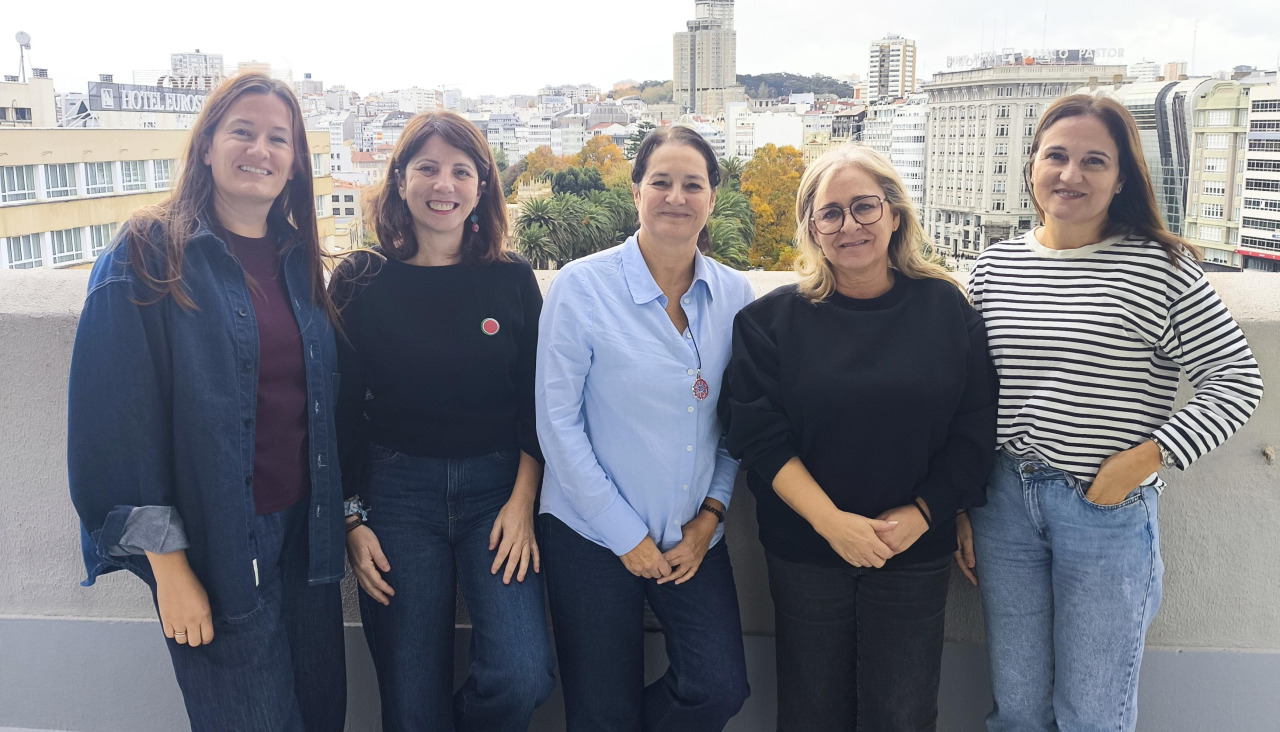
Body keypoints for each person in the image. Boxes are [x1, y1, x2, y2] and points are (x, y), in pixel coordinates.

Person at [966, 93, 1264, 732]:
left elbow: (1237, 381)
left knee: (1092, 714)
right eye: (1057, 156)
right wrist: (967, 504)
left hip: (1104, 513)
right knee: (1016, 708)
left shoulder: (1161, 268)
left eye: (1094, 161)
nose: (1071, 175)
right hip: (1003, 507)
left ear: (1122, 176)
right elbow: (970, 396)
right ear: (1032, 164)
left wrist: (1142, 460)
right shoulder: (994, 265)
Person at [67, 72, 347, 731]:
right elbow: (114, 428)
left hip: (306, 544)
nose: (261, 149)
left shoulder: (298, 259)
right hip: (217, 550)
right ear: (206, 146)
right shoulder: (147, 253)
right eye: (242, 131)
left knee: (320, 717)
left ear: (296, 161)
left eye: (279, 138)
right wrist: (170, 572)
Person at [720, 144, 998, 731]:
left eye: (865, 207)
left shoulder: (947, 309)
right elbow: (758, 438)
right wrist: (832, 522)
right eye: (832, 213)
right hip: (807, 553)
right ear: (813, 231)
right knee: (811, 714)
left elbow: (975, 430)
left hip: (912, 550)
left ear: (895, 214)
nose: (850, 225)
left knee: (901, 715)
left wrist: (923, 515)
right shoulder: (769, 323)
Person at [330, 111, 554, 732]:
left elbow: (536, 402)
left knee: (521, 675)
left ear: (482, 187)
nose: (443, 185)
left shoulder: (509, 280)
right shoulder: (359, 280)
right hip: (396, 496)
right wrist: (350, 518)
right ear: (400, 180)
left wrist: (521, 503)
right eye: (426, 168)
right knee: (409, 700)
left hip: (496, 494)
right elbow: (340, 410)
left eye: (461, 171)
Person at [536, 125, 754, 732]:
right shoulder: (581, 287)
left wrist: (710, 514)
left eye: (693, 184)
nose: (676, 197)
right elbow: (557, 423)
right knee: (600, 710)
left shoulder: (735, 295)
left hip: (692, 537)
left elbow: (739, 421)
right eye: (661, 182)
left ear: (713, 198)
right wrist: (624, 533)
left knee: (718, 687)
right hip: (591, 533)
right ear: (636, 192)